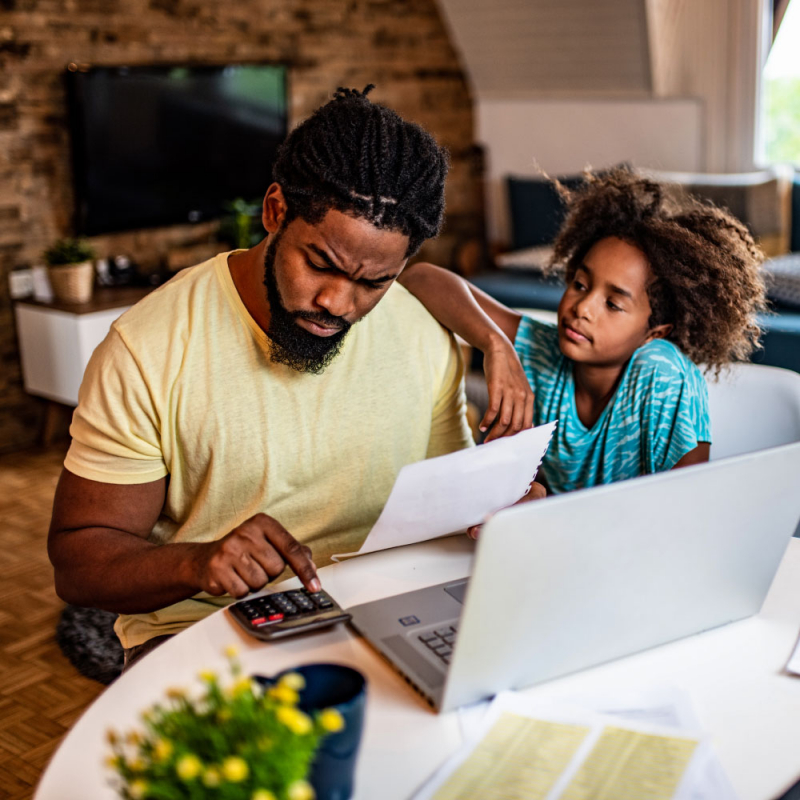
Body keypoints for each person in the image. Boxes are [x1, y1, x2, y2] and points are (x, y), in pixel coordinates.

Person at [47, 86, 482, 667]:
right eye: (320, 264)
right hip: (206, 630)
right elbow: (79, 561)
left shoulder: (424, 331)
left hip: (386, 608)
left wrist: (496, 509)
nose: (338, 302)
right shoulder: (147, 349)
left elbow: (450, 510)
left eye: (374, 282)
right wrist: (196, 562)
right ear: (274, 210)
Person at [399, 168, 767, 495]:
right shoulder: (542, 348)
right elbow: (420, 277)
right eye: (579, 283)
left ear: (655, 332)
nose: (582, 308)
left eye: (613, 304)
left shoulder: (663, 376)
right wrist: (494, 344)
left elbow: (689, 508)